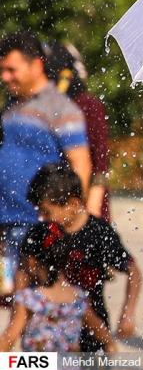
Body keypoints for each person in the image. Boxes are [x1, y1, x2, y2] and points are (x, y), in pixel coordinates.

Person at [19, 163, 142, 370]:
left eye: (46, 211)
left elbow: (134, 272)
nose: (41, 218)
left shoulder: (98, 234)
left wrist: (128, 313)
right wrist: (20, 315)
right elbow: (23, 273)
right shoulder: (40, 234)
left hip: (93, 332)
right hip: (52, 336)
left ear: (74, 203)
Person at [0, 32, 91, 295]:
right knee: (13, 304)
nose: (5, 77)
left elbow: (81, 165)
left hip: (39, 225)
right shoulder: (12, 108)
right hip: (8, 221)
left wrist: (70, 222)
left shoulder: (61, 108)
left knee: (36, 304)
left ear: (36, 65)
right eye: (2, 70)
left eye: (11, 70)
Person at [0, 240, 117, 370]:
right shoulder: (78, 298)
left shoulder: (29, 300)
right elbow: (105, 338)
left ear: (32, 261)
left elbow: (8, 339)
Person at [44, 42, 112, 221]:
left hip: (86, 204)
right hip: (55, 207)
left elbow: (100, 163)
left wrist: (91, 212)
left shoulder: (88, 105)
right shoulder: (43, 107)